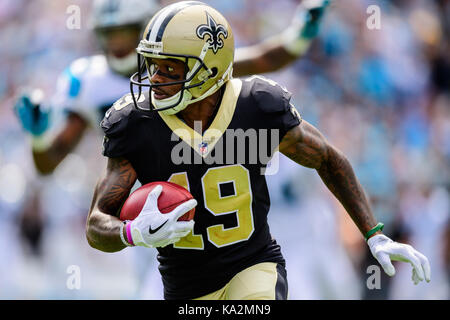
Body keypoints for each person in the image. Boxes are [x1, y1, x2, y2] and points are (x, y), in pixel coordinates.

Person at [86, 1, 431, 300]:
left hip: (252, 267)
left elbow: (327, 158)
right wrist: (131, 233)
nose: (156, 79)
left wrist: (374, 234)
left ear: (209, 68)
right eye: (153, 65)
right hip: (184, 285)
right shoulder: (134, 121)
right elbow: (96, 224)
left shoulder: (256, 106)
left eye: (170, 68)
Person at [13, 0, 329, 175]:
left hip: (207, 176)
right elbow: (49, 163)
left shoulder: (183, 61)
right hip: (143, 197)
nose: (117, 42)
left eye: (125, 31)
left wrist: (299, 32)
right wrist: (38, 137)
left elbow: (263, 60)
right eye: (110, 33)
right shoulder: (87, 80)